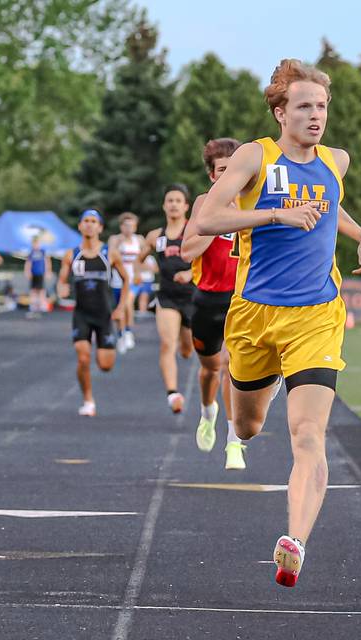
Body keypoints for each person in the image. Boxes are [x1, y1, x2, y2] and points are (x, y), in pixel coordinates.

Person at [195, 59, 361, 587]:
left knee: (307, 434)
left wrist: (359, 233)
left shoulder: (336, 161)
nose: (316, 115)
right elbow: (209, 218)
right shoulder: (255, 156)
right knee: (247, 425)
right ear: (280, 112)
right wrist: (273, 214)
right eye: (304, 106)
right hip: (254, 314)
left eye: (321, 106)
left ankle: (294, 539)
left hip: (317, 316)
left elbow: (328, 203)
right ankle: (262, 388)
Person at [181, 137, 246, 470]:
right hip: (208, 298)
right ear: (211, 175)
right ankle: (208, 413)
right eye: (222, 170)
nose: (227, 176)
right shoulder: (205, 203)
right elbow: (188, 250)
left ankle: (234, 442)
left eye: (233, 169)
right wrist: (216, 221)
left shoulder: (253, 201)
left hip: (243, 299)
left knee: (234, 369)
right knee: (211, 368)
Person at [57, 210, 128, 417]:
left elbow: (126, 280)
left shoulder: (109, 253)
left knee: (105, 365)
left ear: (100, 228)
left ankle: (107, 345)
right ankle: (88, 400)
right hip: (82, 315)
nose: (89, 225)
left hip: (104, 315)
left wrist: (121, 306)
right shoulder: (72, 255)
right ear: (79, 226)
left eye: (93, 222)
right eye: (85, 221)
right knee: (83, 358)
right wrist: (61, 287)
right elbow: (62, 279)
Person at [138, 184, 195, 414]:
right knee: (167, 344)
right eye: (169, 200)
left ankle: (186, 343)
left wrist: (191, 273)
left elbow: (207, 259)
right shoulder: (155, 236)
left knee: (187, 349)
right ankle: (173, 393)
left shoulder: (194, 231)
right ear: (164, 205)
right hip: (167, 296)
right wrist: (145, 270)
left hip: (192, 296)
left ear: (186, 206)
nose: (173, 204)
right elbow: (139, 259)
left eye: (178, 200)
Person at [109, 212, 147, 351]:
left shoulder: (140, 240)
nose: (128, 228)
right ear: (121, 227)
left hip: (133, 281)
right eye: (125, 225)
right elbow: (111, 255)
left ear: (135, 227)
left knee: (128, 303)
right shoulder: (115, 239)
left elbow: (144, 258)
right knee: (120, 307)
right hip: (118, 280)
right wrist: (119, 243)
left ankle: (129, 332)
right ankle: (120, 334)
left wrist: (140, 272)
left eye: (131, 226)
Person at [24, 236, 51, 318]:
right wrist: (27, 272)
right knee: (33, 290)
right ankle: (33, 305)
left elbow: (47, 262)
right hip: (33, 274)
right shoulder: (31, 253)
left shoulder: (43, 252)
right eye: (34, 244)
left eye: (37, 244)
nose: (35, 245)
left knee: (41, 289)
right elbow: (28, 263)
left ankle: (42, 305)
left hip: (40, 273)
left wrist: (48, 271)